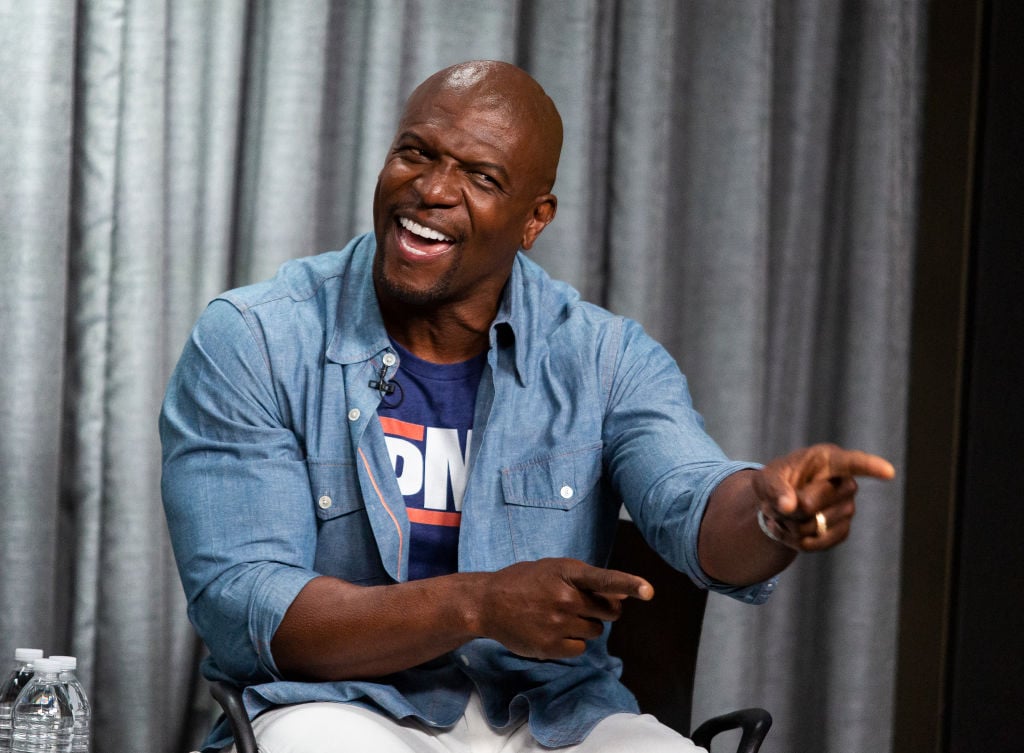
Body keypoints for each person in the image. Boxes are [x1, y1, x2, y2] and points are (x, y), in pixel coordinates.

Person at [160, 60, 895, 753]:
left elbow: (691, 500)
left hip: (554, 715)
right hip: (336, 706)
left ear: (533, 217)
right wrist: (478, 605)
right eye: (416, 153)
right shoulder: (256, 338)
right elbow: (246, 604)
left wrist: (772, 512)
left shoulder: (604, 357)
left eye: (480, 176)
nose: (433, 190)